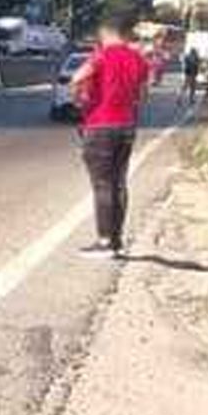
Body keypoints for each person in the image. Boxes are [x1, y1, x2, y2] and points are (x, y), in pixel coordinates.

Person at [70, 16, 150, 259]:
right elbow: (144, 95)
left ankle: (104, 241)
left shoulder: (101, 55)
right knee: (119, 182)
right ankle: (116, 240)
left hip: (100, 125)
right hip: (126, 126)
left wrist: (79, 99)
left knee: (102, 185)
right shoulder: (138, 58)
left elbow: (77, 78)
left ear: (105, 33)